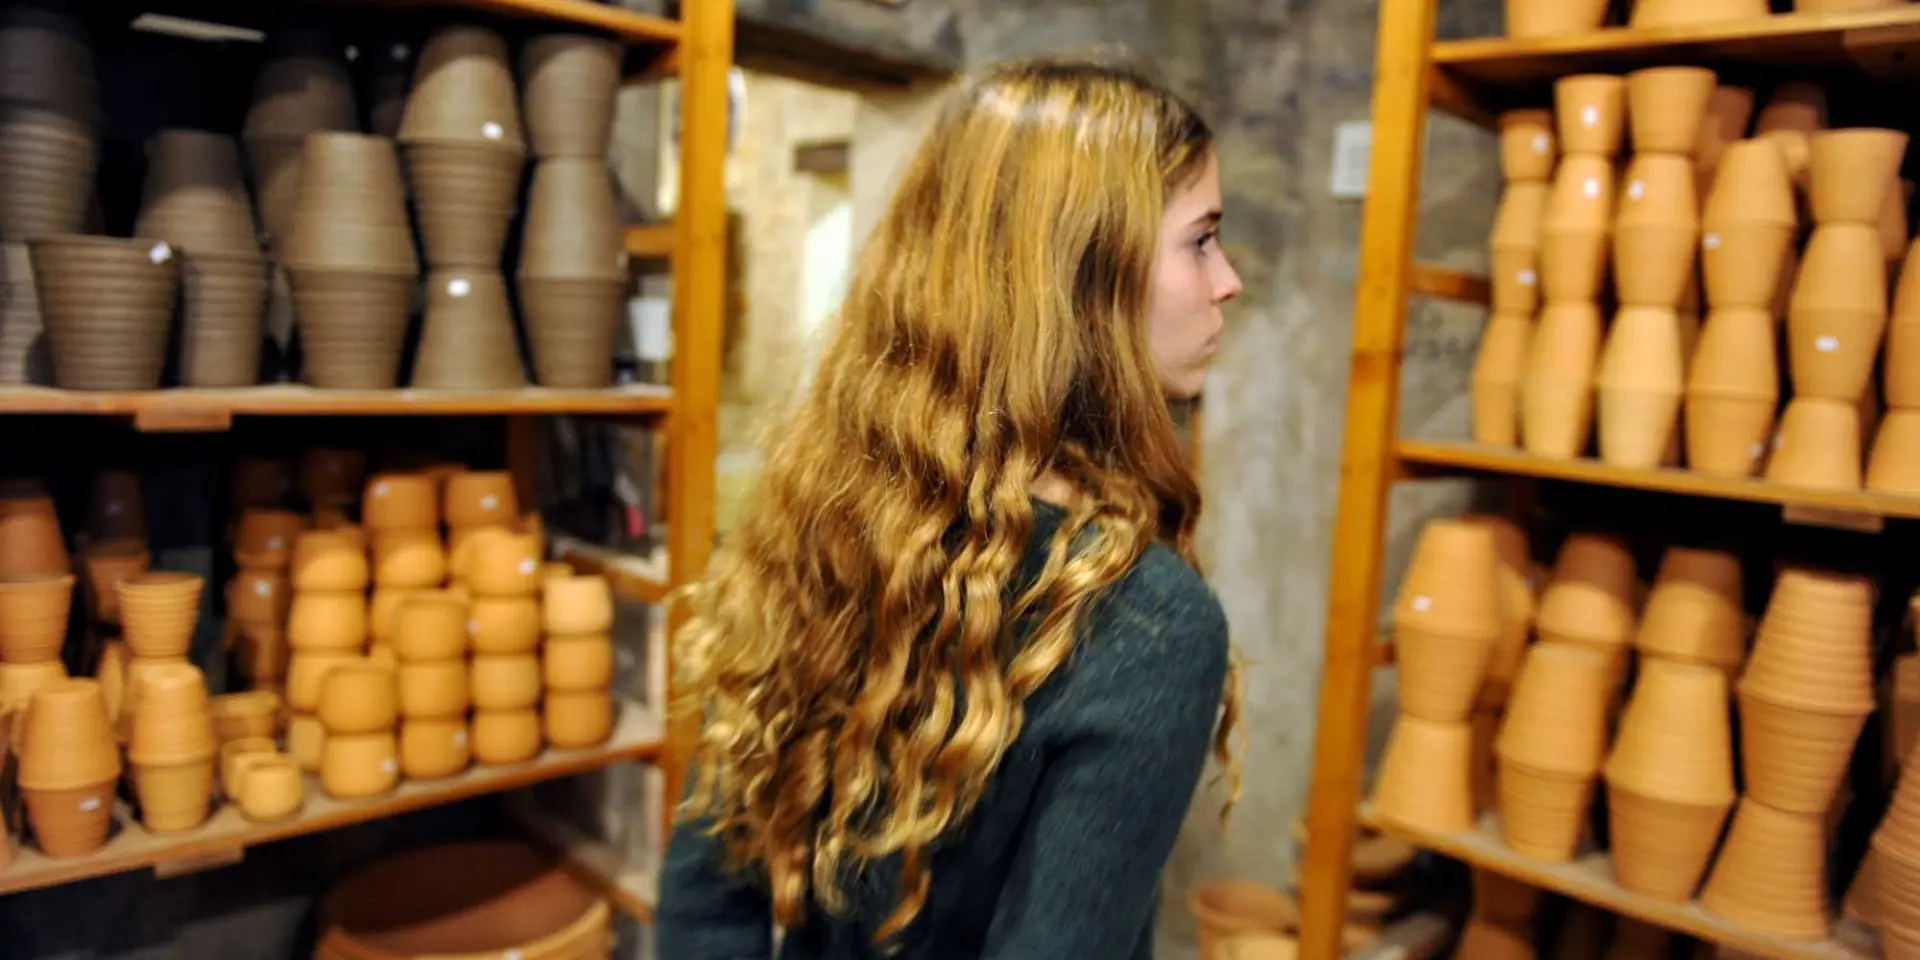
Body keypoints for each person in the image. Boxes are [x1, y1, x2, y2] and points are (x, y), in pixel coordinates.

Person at [656, 54, 1244, 959]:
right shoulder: (1150, 623)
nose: (1229, 280)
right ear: (1082, 277)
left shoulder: (836, 518)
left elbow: (705, 909)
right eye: (1201, 240)